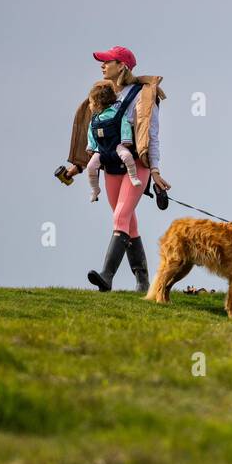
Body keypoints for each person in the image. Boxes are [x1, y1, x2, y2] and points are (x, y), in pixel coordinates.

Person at [77, 46, 171, 293]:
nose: (102, 65)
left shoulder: (143, 96)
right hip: (111, 167)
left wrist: (157, 171)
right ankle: (143, 282)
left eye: (108, 61)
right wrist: (77, 166)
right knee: (128, 222)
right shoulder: (105, 94)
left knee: (120, 217)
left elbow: (152, 135)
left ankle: (107, 276)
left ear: (122, 66)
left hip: (136, 166)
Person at [83, 81, 140, 202]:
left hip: (117, 146)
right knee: (91, 166)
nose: (90, 105)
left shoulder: (117, 114)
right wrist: (91, 146)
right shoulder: (94, 120)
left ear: (98, 103)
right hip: (102, 150)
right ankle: (95, 189)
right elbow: (91, 134)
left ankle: (133, 177)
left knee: (127, 155)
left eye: (91, 102)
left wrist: (126, 140)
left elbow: (125, 125)